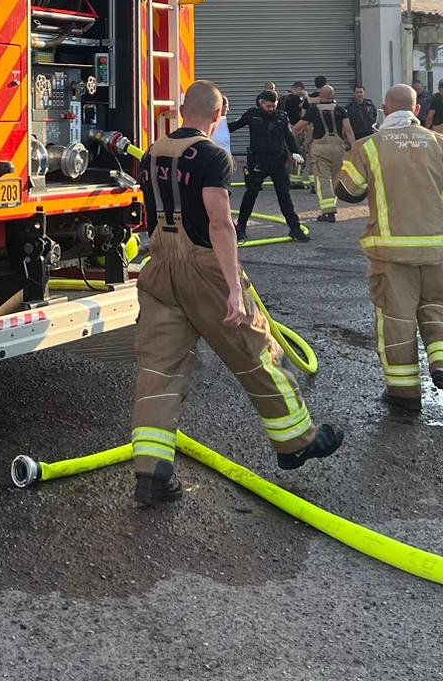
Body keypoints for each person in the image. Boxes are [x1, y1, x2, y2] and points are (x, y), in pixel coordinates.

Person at [130, 81, 343, 505]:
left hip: (160, 270)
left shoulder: (153, 152)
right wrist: (233, 289)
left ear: (181, 109)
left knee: (159, 370)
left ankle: (151, 473)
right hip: (204, 270)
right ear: (218, 113)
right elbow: (219, 222)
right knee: (256, 351)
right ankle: (296, 441)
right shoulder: (212, 155)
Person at [335, 85, 443, 412]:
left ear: (385, 111)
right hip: (441, 253)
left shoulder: (369, 148)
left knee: (396, 321)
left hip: (391, 256)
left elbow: (347, 193)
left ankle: (404, 396)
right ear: (416, 111)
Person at [228, 91, 309, 243]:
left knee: (284, 196)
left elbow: (289, 137)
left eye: (274, 106)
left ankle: (295, 228)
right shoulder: (252, 116)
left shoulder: (282, 117)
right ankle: (241, 227)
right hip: (258, 162)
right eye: (268, 106)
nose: (271, 109)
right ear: (261, 103)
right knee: (251, 195)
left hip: (278, 162)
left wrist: (295, 152)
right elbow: (232, 127)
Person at [295, 84, 354, 222]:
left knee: (323, 180)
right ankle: (331, 206)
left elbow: (298, 127)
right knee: (335, 178)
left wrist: (291, 139)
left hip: (320, 149)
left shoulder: (313, 110)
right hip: (339, 148)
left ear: (320, 96)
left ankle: (328, 212)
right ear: (333, 96)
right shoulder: (341, 110)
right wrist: (355, 147)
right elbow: (348, 131)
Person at [283, 81, 312, 183]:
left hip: (287, 128)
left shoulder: (283, 98)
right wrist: (306, 97)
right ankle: (295, 180)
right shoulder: (295, 98)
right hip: (296, 128)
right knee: (298, 153)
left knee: (289, 154)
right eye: (301, 91)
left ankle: (289, 178)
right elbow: (306, 106)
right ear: (298, 89)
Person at [211, 90, 232, 154]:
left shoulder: (223, 121)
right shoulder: (211, 123)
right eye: (226, 107)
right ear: (220, 107)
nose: (228, 109)